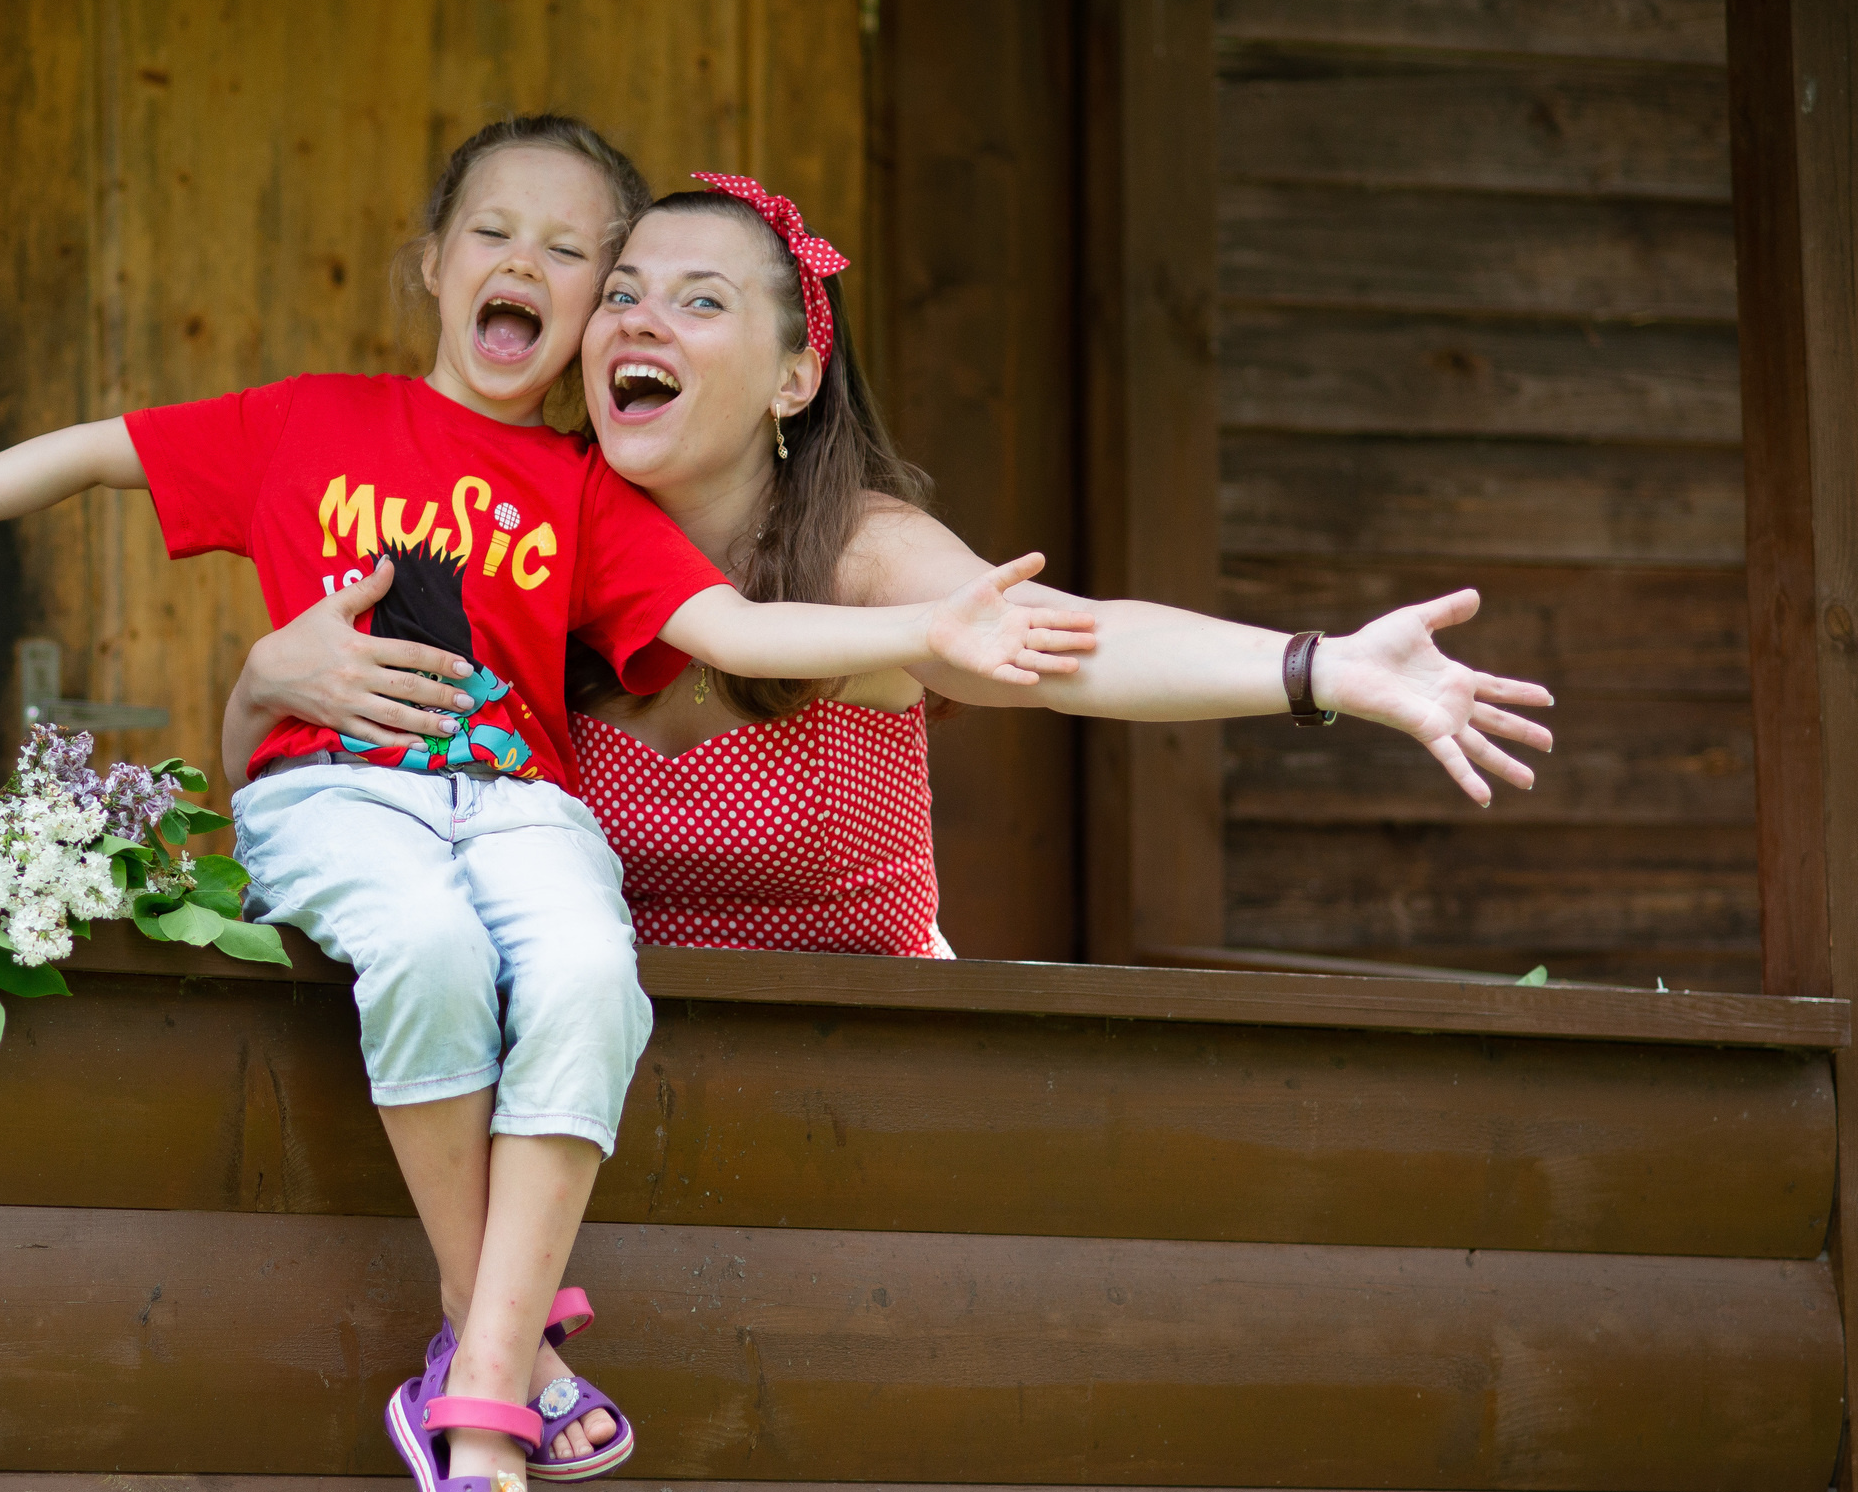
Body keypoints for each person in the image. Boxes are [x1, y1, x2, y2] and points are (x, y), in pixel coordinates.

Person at [0, 116, 1097, 1492]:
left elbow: (739, 633)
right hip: (345, 800)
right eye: (494, 232)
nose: (527, 263)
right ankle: (495, 1384)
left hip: (515, 806)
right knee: (431, 952)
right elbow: (98, 454)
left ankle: (479, 1356)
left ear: (587, 314)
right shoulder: (310, 419)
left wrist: (924, 633)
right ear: (431, 263)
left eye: (573, 252)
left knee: (584, 966)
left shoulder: (586, 492)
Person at [228, 182, 1558, 966]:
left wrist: (1318, 667)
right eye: (623, 291)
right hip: (589, 1084)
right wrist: (255, 691)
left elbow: (1072, 642)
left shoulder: (860, 555)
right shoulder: (516, 543)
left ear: (795, 374)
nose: (640, 317)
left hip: (864, 1083)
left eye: (701, 300)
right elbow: (334, 787)